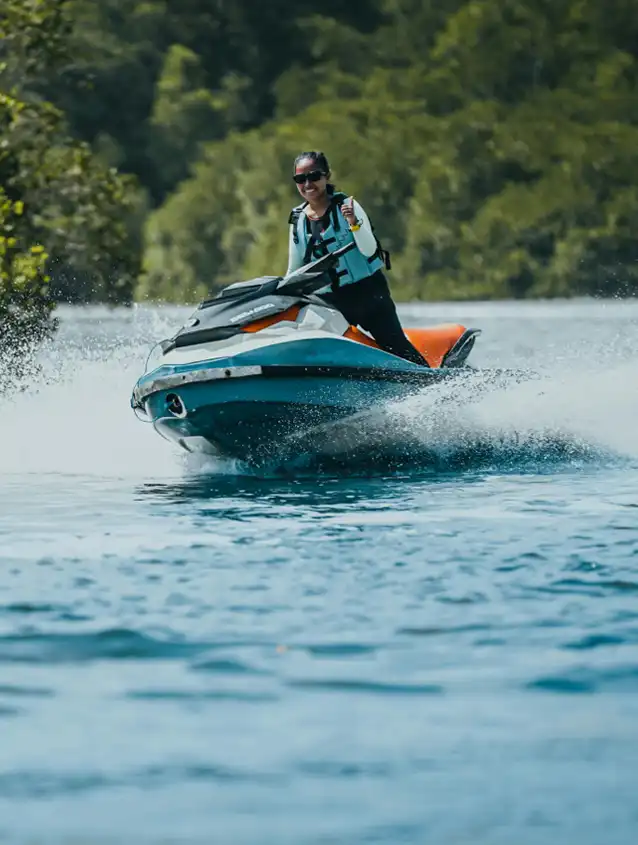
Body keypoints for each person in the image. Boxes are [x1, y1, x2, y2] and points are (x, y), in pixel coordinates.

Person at [286, 151, 429, 367]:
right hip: (332, 301)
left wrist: (353, 222)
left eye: (314, 176)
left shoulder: (348, 206)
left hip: (368, 293)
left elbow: (368, 248)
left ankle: (432, 383)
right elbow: (294, 269)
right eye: (300, 179)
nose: (308, 184)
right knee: (323, 350)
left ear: (327, 176)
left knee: (396, 346)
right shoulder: (297, 219)